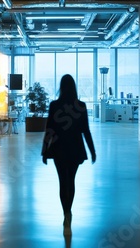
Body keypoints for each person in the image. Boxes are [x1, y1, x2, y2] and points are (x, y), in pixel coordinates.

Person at [41, 74, 96, 236]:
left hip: (58, 148)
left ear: (61, 87)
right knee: (71, 180)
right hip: (76, 148)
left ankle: (65, 212)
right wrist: (92, 151)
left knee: (62, 181)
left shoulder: (54, 105)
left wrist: (44, 151)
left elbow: (49, 130)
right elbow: (86, 130)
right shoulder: (81, 106)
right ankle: (69, 212)